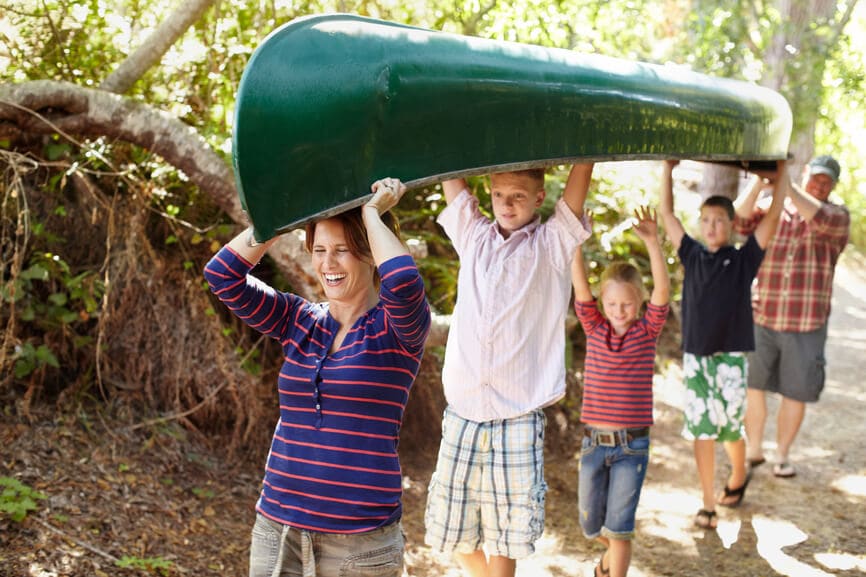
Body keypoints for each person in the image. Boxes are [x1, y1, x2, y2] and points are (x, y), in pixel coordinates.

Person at [204, 178, 431, 577]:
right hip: (279, 526)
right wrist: (275, 223)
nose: (327, 264)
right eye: (320, 250)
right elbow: (223, 276)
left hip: (360, 541)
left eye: (343, 250)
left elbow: (404, 282)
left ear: (370, 254)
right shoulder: (299, 319)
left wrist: (372, 213)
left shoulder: (398, 331)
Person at [423, 164, 592, 577]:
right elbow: (451, 177)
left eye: (518, 195)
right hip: (464, 407)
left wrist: (585, 155)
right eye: (499, 195)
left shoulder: (552, 245)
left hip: (516, 412)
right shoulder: (474, 237)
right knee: (448, 526)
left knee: (506, 531)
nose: (507, 204)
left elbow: (578, 183)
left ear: (539, 197)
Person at [659, 160, 786, 530]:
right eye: (706, 220)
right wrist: (667, 168)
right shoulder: (692, 254)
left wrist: (781, 177)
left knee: (730, 431)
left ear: (732, 224)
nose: (711, 227)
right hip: (697, 359)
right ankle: (707, 503)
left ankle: (738, 473)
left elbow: (773, 218)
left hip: (731, 359)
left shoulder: (743, 258)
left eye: (719, 220)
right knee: (703, 430)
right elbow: (667, 213)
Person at [734, 155, 850, 479]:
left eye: (826, 181)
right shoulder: (773, 208)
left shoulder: (836, 216)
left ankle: (782, 455)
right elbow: (739, 218)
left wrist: (785, 182)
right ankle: (754, 451)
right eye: (815, 177)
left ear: (833, 186)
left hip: (806, 321)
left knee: (795, 391)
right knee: (753, 385)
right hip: (762, 315)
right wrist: (762, 179)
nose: (819, 184)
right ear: (806, 173)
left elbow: (819, 215)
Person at [572, 200, 670, 577]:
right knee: (591, 527)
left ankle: (614, 564)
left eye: (627, 303)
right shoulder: (594, 328)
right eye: (611, 302)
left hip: (633, 445)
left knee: (621, 530)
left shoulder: (647, 332)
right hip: (594, 444)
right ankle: (607, 562)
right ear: (602, 302)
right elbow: (579, 283)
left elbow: (663, 287)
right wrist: (577, 241)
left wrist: (652, 243)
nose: (619, 309)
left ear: (640, 302)